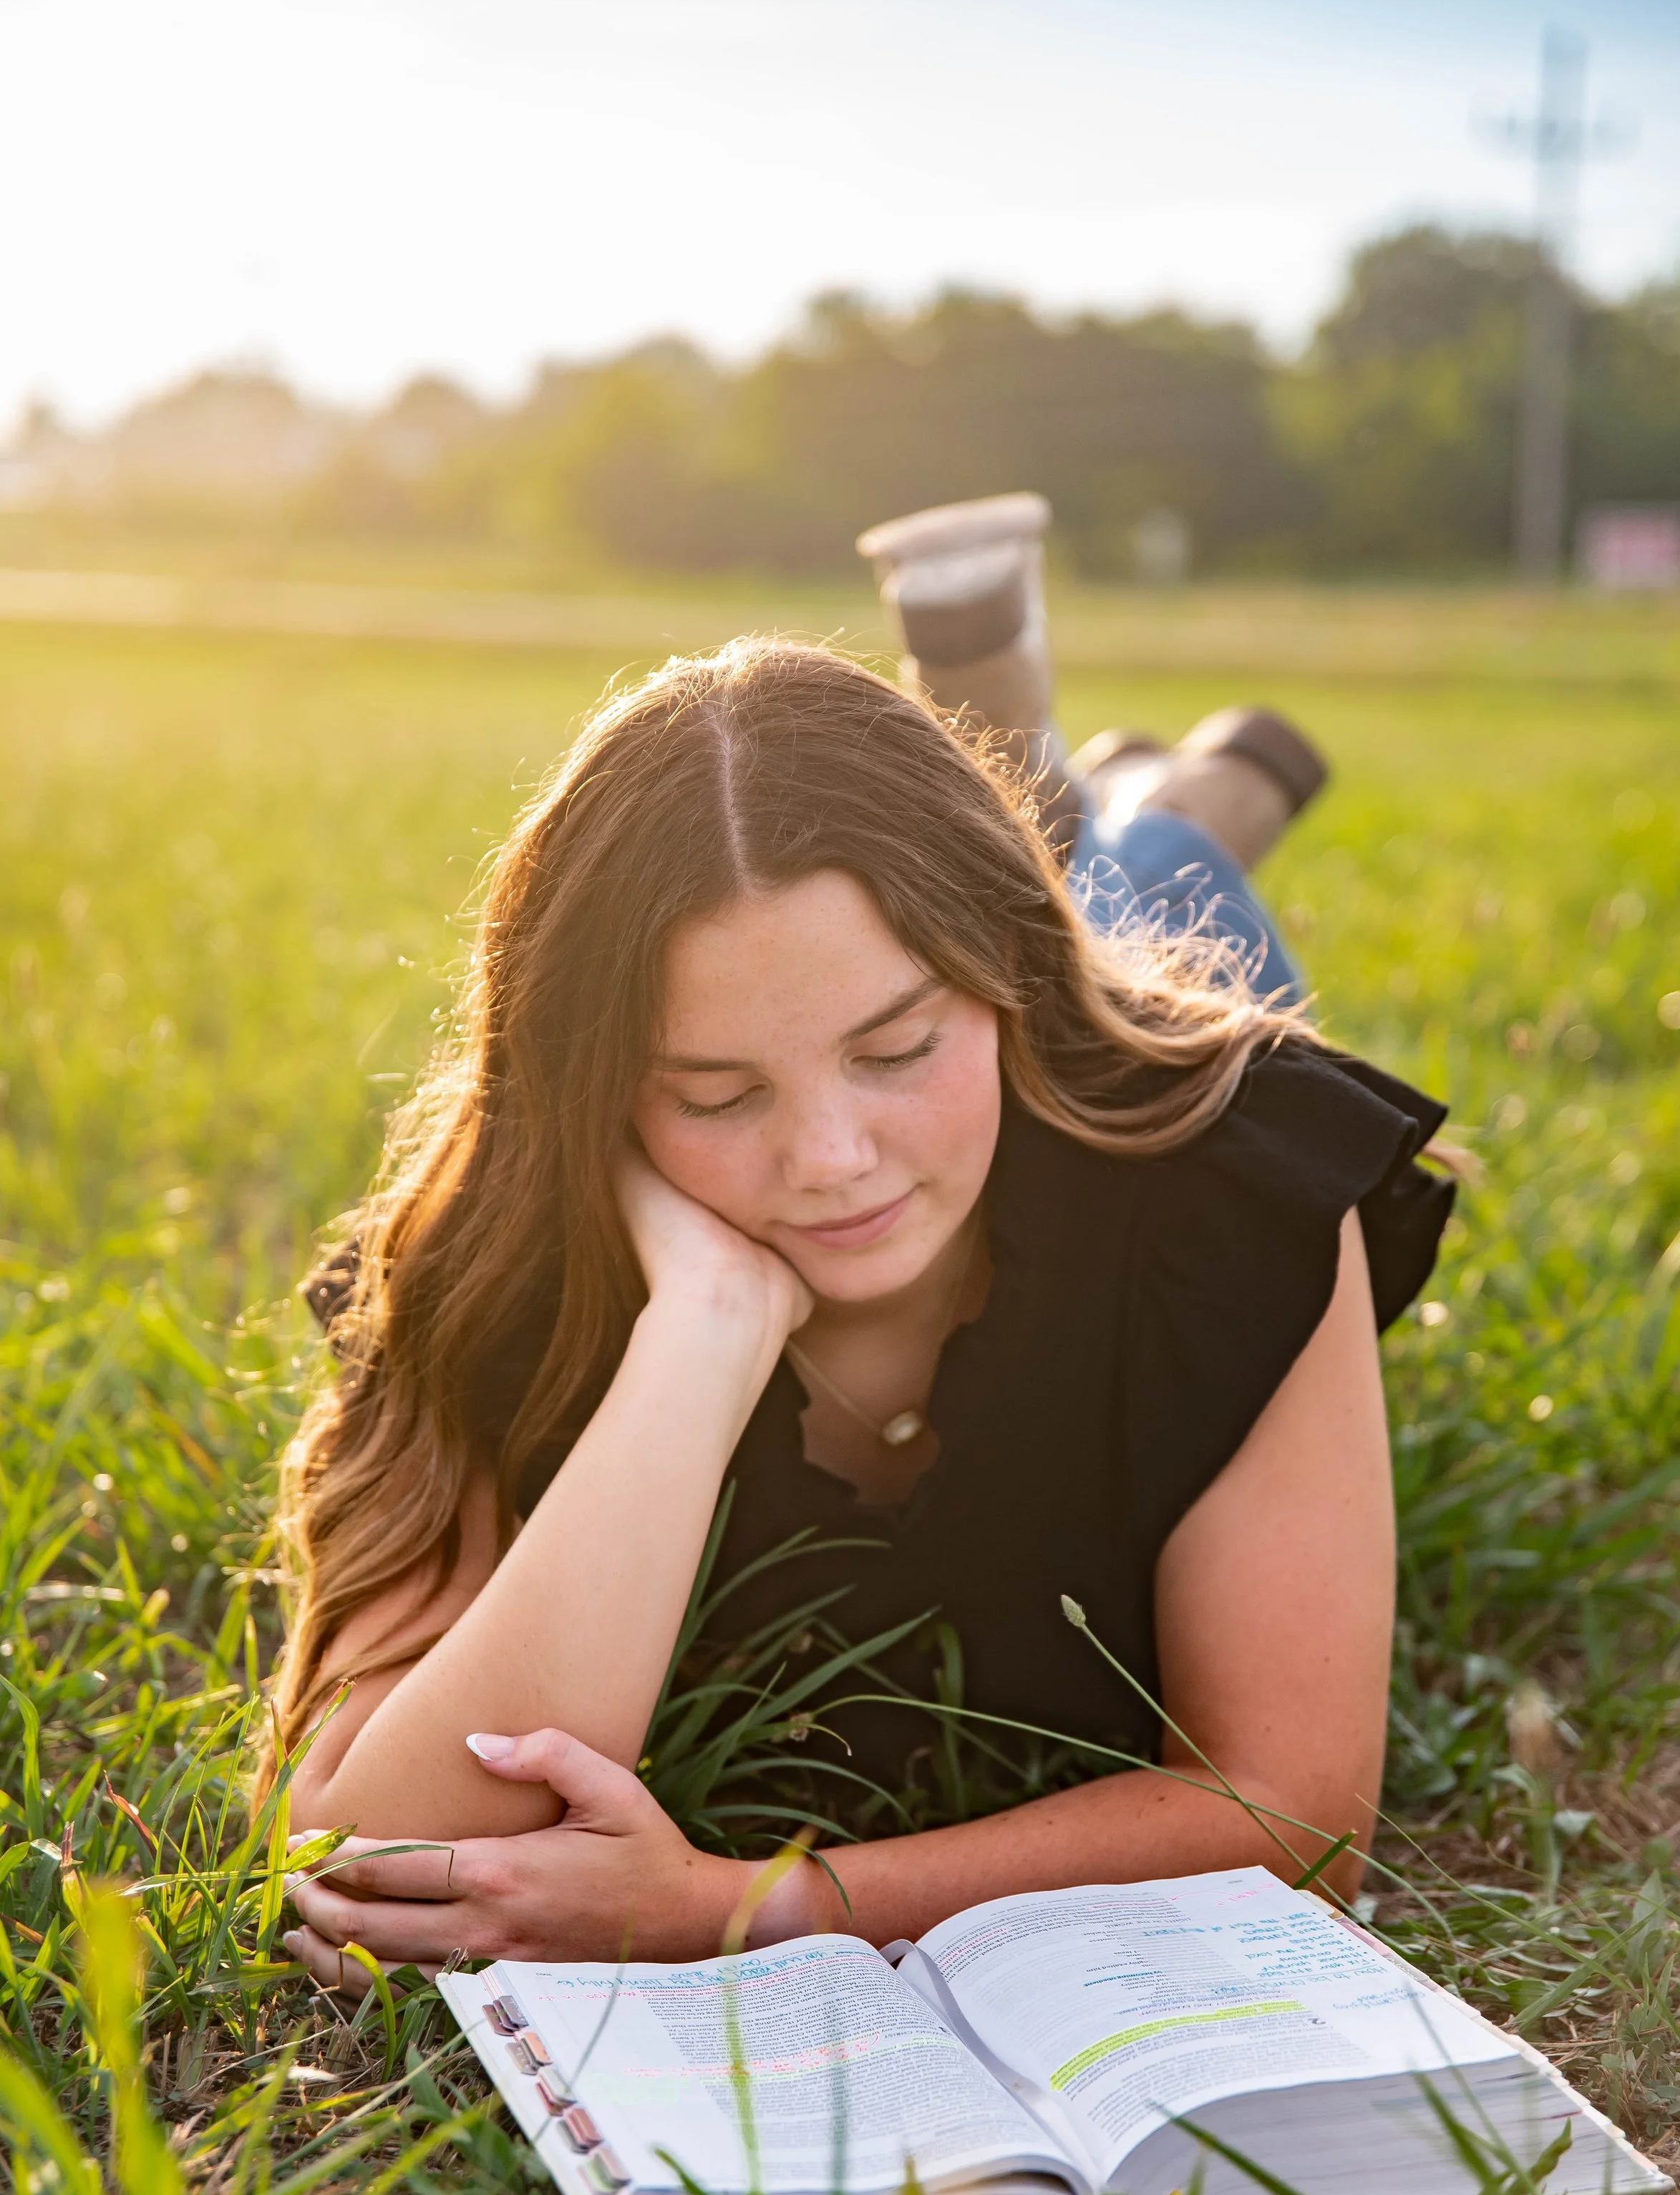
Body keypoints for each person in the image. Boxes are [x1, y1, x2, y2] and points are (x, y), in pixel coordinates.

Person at [278, 535, 1452, 1996]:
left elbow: (1286, 1819)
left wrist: (745, 1907)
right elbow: (370, 1860)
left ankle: (1165, 798)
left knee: (1149, 902)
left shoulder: (1221, 1176)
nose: (828, 1158)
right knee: (1076, 880)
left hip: (1118, 1034)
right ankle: (1058, 784)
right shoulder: (497, 1249)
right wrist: (702, 1330)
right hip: (983, 958)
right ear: (595, 1092)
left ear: (1001, 989)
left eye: (895, 1050)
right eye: (713, 1093)